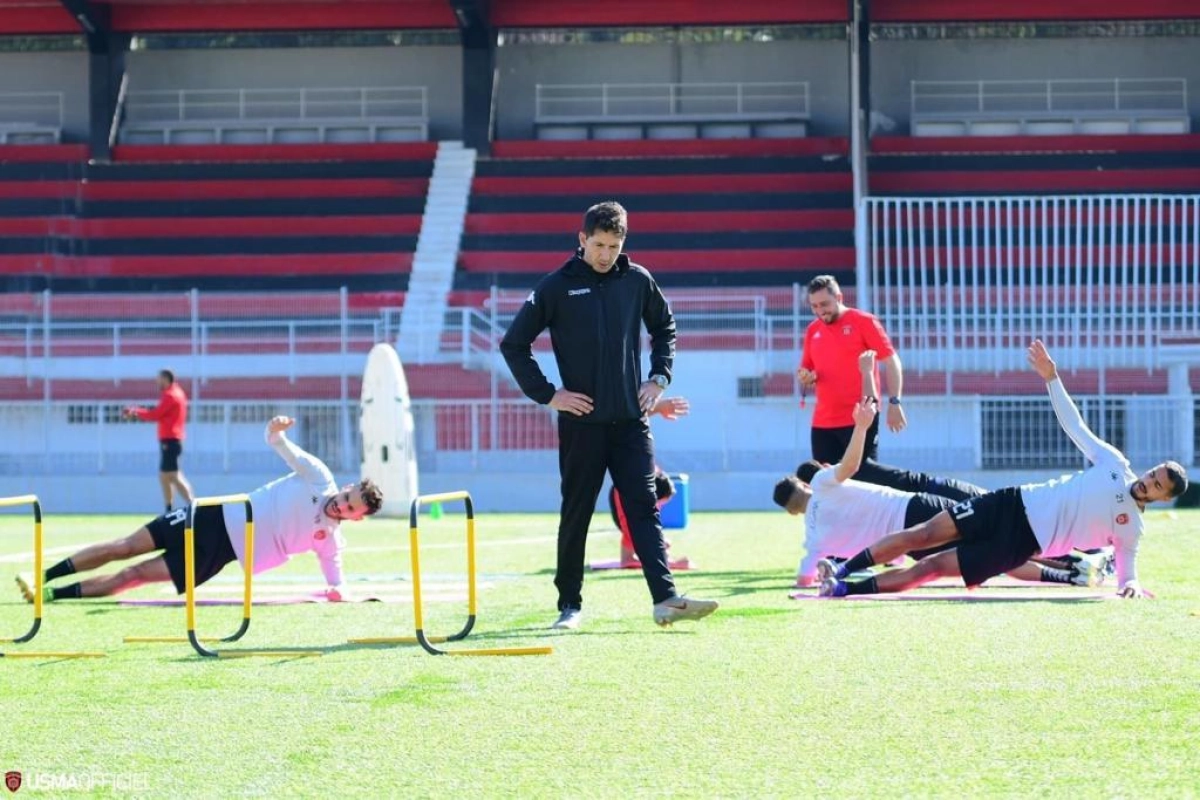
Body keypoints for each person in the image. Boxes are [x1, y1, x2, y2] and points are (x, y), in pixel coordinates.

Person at [819, 340, 1189, 599]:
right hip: (1010, 503)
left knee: (929, 567)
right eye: (1153, 473)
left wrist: (1132, 584)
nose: (1148, 481)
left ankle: (843, 589)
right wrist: (1051, 378)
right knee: (923, 532)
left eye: (1156, 485)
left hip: (1018, 544)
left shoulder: (1132, 527)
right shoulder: (1115, 464)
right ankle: (842, 570)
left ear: (1163, 498)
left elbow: (1128, 567)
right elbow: (1076, 428)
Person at [499, 200, 718, 630]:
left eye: (614, 246)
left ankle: (666, 598)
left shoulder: (637, 280)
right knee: (576, 511)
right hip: (581, 424)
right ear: (581, 240)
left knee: (644, 507)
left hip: (631, 423)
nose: (605, 254)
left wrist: (658, 379)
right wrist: (549, 395)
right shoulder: (555, 287)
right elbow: (514, 344)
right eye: (598, 244)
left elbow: (665, 328)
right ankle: (570, 605)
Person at [15, 416, 383, 603]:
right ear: (347, 487)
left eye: (350, 509)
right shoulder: (319, 477)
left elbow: (336, 583)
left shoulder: (330, 541)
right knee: (124, 546)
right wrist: (276, 430)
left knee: (134, 573)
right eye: (347, 497)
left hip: (219, 553)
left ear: (356, 518)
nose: (342, 505)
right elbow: (280, 445)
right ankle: (42, 577)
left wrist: (341, 594)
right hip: (212, 514)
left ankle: (49, 596)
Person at [773, 398, 1110, 589]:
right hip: (917, 509)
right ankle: (1075, 560)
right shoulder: (822, 483)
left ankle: (1071, 570)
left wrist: (817, 575)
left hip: (900, 541)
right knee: (1002, 536)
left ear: (791, 513)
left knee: (991, 556)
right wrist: (861, 426)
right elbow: (850, 465)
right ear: (805, 483)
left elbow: (804, 579)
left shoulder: (814, 540)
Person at [797, 274, 906, 464]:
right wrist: (806, 377)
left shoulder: (863, 321)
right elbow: (807, 369)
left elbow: (892, 360)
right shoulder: (813, 330)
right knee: (828, 484)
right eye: (814, 306)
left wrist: (895, 402)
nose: (820, 311)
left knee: (864, 479)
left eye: (824, 304)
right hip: (823, 422)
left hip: (860, 418)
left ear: (839, 298)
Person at [608, 395, 692, 570]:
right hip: (625, 487)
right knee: (637, 527)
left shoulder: (650, 469)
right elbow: (625, 416)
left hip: (631, 482)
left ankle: (652, 550)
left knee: (646, 526)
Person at [124, 368, 194, 514]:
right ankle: (170, 508)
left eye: (159, 379)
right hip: (171, 441)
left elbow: (156, 414)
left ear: (166, 379)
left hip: (171, 440)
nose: (157, 382)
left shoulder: (171, 395)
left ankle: (193, 505)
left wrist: (136, 412)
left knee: (172, 475)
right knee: (166, 475)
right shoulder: (177, 393)